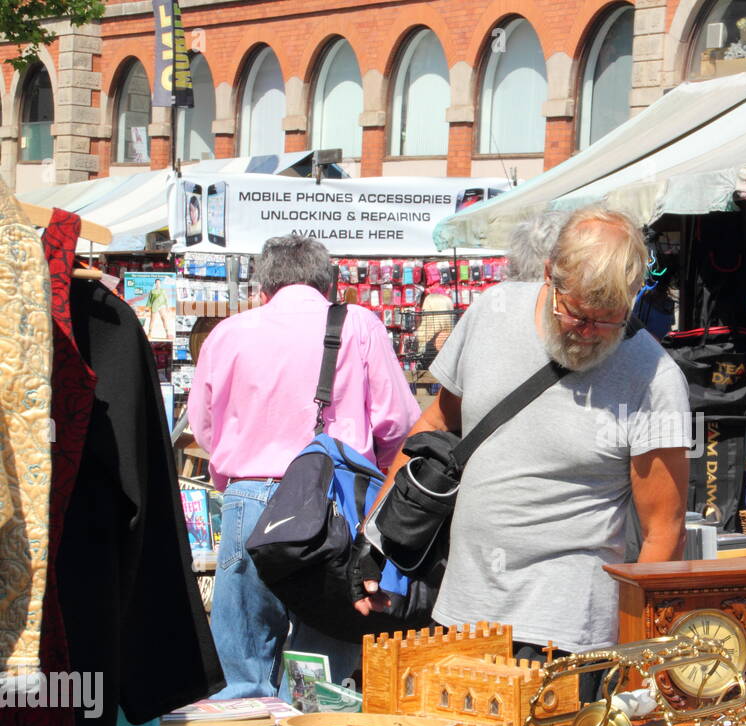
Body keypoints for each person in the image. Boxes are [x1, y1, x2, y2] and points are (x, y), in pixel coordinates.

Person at [355, 207, 690, 691]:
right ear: (551, 274)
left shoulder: (655, 378)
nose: (588, 332)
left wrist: (636, 667)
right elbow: (435, 424)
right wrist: (375, 536)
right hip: (461, 614)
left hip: (566, 637)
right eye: (576, 312)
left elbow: (665, 532)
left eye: (608, 320)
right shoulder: (492, 312)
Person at [190, 235, 420, 698]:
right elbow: (398, 422)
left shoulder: (228, 333)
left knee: (243, 667)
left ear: (262, 288)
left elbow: (203, 428)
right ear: (330, 284)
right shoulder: (358, 325)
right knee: (323, 666)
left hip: (249, 499)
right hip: (333, 504)